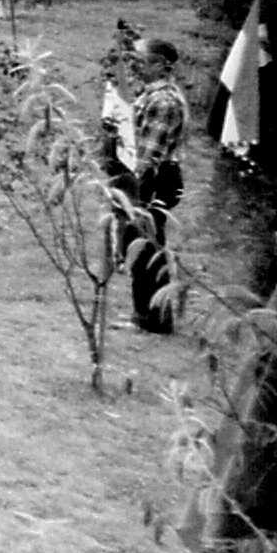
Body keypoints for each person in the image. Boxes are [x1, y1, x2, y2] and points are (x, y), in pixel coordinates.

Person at [111, 37, 189, 332]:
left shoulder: (163, 102)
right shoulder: (150, 96)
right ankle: (146, 314)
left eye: (140, 61)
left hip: (152, 179)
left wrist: (133, 189)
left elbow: (148, 152)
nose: (135, 67)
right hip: (146, 176)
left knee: (146, 247)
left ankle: (154, 318)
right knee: (141, 244)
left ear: (159, 65)